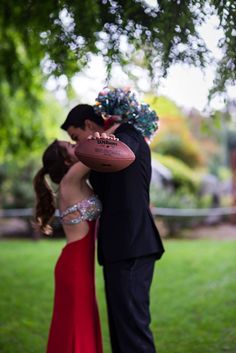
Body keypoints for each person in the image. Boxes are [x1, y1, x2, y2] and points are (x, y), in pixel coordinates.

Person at [61, 95, 165, 353]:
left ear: (89, 124)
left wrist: (111, 131)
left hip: (133, 246)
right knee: (120, 331)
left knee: (134, 331)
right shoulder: (98, 158)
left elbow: (124, 152)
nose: (77, 146)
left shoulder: (128, 134)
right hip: (116, 250)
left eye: (76, 137)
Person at [33, 139, 105, 353]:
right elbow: (97, 151)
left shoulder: (76, 180)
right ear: (67, 160)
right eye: (72, 146)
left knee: (80, 323)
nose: (78, 144)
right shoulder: (70, 180)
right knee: (75, 325)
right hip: (74, 269)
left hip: (79, 267)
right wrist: (119, 124)